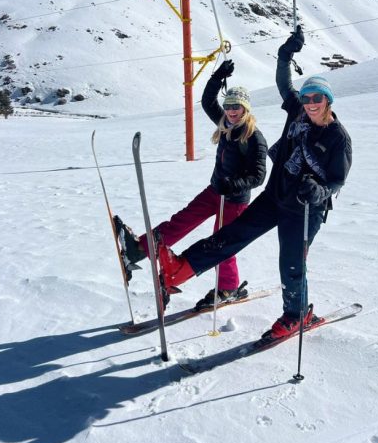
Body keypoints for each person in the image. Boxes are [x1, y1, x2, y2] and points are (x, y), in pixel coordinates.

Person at [156, 27, 352, 341]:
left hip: (304, 210)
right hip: (275, 196)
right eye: (307, 97)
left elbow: (337, 180)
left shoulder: (338, 138)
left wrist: (320, 190)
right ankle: (179, 269)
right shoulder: (297, 112)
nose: (311, 102)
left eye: (317, 98)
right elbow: (282, 81)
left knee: (290, 261)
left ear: (327, 101)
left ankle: (298, 314)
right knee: (231, 235)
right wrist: (286, 54)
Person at [112, 60, 267, 310]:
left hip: (235, 200)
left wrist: (235, 184)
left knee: (222, 242)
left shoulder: (254, 138)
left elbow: (259, 175)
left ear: (246, 109)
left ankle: (228, 287)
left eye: (237, 106)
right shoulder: (224, 124)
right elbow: (207, 101)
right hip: (214, 190)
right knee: (181, 221)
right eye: (228, 105)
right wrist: (217, 76)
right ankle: (139, 249)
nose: (231, 110)